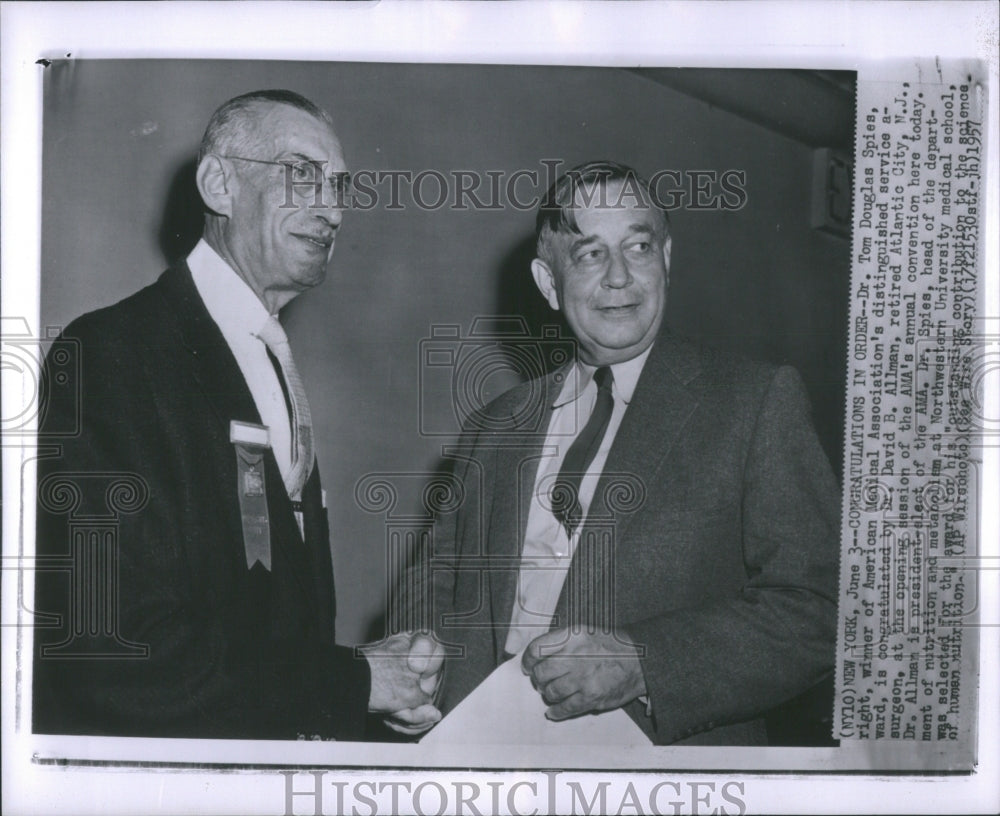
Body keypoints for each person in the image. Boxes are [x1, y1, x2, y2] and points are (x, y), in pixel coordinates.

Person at [33, 90, 442, 740]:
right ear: (218, 183)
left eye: (339, 186)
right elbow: (113, 653)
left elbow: (265, 616)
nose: (332, 210)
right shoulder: (114, 353)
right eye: (301, 175)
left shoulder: (269, 362)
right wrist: (355, 683)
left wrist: (365, 699)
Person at [396, 160, 840, 745]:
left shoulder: (754, 402)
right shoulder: (495, 424)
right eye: (589, 253)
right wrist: (416, 660)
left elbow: (820, 609)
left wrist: (644, 662)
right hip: (481, 755)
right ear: (548, 283)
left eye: (639, 245)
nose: (619, 277)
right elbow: (437, 572)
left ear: (667, 260)